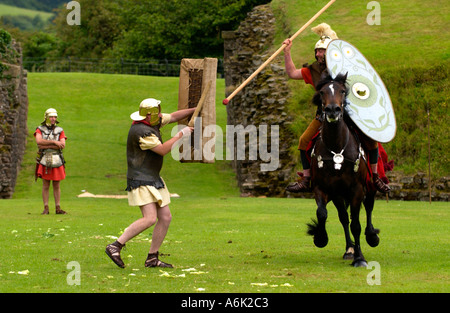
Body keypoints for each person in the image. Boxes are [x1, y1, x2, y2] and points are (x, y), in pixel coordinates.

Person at [283, 23, 390, 194]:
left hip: (347, 115)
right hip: (323, 117)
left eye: (322, 51)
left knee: (371, 141)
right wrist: (287, 53)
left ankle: (375, 177)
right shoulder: (313, 71)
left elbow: (360, 86)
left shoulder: (343, 67)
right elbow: (292, 73)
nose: (319, 54)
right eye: (317, 51)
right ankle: (307, 178)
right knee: (303, 141)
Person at [105, 98, 195, 269]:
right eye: (158, 112)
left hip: (153, 178)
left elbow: (175, 116)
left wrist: (195, 109)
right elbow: (162, 150)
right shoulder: (141, 131)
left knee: (165, 217)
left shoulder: (152, 122)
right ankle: (115, 245)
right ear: (149, 115)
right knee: (150, 218)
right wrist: (181, 135)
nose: (161, 115)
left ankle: (152, 258)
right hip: (141, 178)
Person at [34, 108, 67, 215]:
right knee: (46, 185)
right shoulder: (40, 129)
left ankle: (58, 207)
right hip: (45, 159)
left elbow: (62, 145)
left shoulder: (60, 130)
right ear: (47, 117)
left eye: (55, 117)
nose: (53, 119)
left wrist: (48, 144)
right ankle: (46, 207)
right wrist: (54, 142)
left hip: (57, 159)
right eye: (51, 117)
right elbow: (39, 142)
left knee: (57, 185)